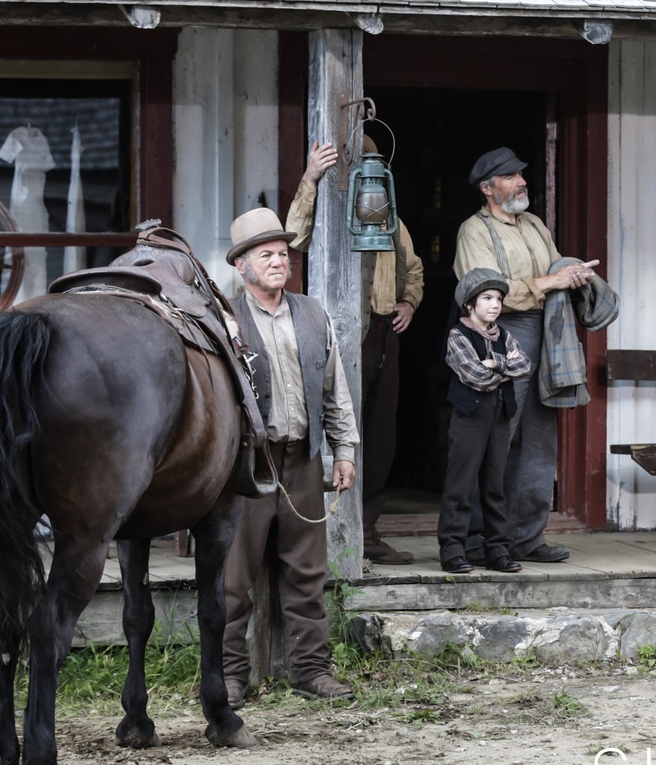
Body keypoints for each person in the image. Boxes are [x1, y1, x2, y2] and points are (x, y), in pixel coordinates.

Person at [221, 206, 360, 706]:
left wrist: (344, 450)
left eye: (283, 254)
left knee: (308, 574)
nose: (279, 262)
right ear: (242, 265)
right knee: (233, 578)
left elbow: (334, 388)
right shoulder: (224, 320)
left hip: (302, 458)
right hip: (246, 466)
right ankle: (228, 676)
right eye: (266, 255)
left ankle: (311, 672)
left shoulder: (312, 313)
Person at [453, 146, 600, 565]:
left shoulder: (534, 223)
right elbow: (485, 290)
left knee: (538, 440)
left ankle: (527, 538)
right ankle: (480, 540)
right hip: (500, 335)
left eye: (521, 174)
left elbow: (554, 274)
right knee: (495, 438)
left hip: (545, 333)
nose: (521, 181)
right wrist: (552, 281)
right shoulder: (474, 231)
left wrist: (574, 276)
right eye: (510, 176)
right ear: (487, 188)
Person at [285, 137, 425, 566]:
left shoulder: (390, 215)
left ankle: (368, 530)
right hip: (340, 333)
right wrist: (311, 177)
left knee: (380, 436)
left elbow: (413, 268)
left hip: (383, 334)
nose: (368, 174)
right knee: (336, 429)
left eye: (373, 166)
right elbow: (294, 236)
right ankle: (327, 532)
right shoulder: (327, 209)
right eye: (359, 164)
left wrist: (408, 302)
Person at [439, 268, 532, 575]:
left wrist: (495, 362)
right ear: (469, 304)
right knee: (461, 484)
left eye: (499, 299)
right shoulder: (458, 335)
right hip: (470, 416)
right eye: (487, 298)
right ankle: (453, 550)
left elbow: (524, 364)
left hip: (500, 415)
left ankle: (497, 550)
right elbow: (475, 376)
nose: (495, 305)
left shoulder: (503, 335)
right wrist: (503, 372)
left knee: (495, 485)